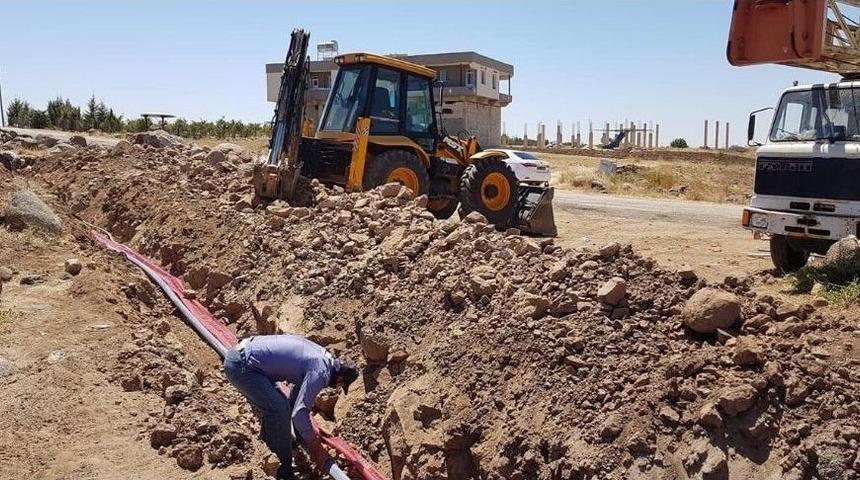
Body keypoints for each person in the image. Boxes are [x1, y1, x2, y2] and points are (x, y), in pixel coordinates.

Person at [222, 334, 359, 479]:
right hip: (241, 366)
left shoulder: (322, 358)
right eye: (341, 385)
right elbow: (299, 413)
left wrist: (303, 438)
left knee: (281, 406)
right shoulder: (321, 372)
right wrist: (315, 447)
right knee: (278, 410)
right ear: (340, 378)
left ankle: (269, 449)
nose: (336, 388)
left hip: (245, 356)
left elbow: (296, 399)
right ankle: (281, 471)